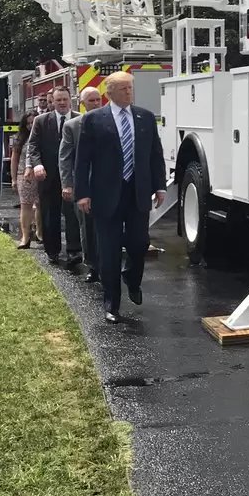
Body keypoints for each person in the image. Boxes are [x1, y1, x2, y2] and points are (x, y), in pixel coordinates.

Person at [75, 71, 166, 324]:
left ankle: (132, 279)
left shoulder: (145, 118)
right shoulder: (94, 120)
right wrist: (82, 193)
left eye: (130, 88)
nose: (129, 92)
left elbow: (154, 155)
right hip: (106, 194)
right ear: (109, 92)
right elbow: (83, 161)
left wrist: (160, 187)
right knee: (109, 251)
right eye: (124, 88)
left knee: (139, 243)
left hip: (137, 191)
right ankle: (111, 304)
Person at [26, 85, 82, 267]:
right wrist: (37, 165)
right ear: (53, 102)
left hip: (72, 177)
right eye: (58, 100)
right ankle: (53, 251)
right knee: (50, 215)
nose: (62, 103)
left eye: (65, 99)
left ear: (70, 99)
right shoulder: (41, 121)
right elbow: (33, 146)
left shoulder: (79, 120)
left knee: (72, 215)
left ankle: (74, 251)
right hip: (47, 176)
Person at [59, 87, 103, 283]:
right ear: (82, 104)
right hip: (83, 185)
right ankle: (93, 266)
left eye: (98, 100)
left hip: (108, 184)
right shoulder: (72, 126)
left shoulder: (109, 122)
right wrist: (67, 184)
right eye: (91, 101)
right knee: (88, 228)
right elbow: (65, 158)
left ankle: (108, 264)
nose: (95, 103)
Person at [10, 111, 43, 249]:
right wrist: (13, 179)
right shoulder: (20, 138)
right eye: (28, 123)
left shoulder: (44, 136)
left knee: (41, 205)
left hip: (41, 174)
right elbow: (14, 159)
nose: (31, 125)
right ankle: (25, 237)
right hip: (24, 175)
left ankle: (40, 234)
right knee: (25, 205)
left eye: (33, 122)